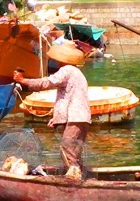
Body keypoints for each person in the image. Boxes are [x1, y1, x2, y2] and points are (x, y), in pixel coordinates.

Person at [13, 43, 91, 178]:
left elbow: (47, 82)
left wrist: (24, 81)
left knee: (67, 149)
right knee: (74, 152)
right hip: (81, 116)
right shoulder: (76, 72)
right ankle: (79, 175)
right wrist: (56, 119)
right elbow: (68, 98)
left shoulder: (67, 70)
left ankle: (74, 181)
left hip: (76, 116)